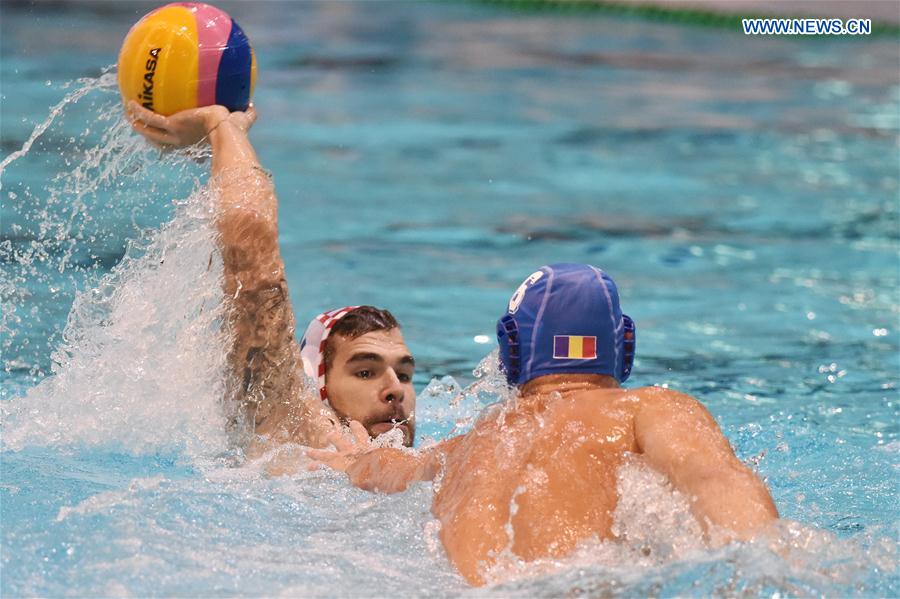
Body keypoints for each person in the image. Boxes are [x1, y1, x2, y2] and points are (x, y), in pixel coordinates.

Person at [309, 263, 779, 586]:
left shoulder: (477, 440)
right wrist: (778, 561)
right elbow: (714, 480)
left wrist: (357, 461)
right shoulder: (649, 409)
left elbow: (396, 470)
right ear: (624, 346)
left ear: (510, 352)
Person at [127, 102, 416, 450]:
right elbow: (250, 246)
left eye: (404, 375)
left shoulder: (439, 466)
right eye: (365, 372)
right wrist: (220, 126)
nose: (396, 389)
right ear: (317, 384)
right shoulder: (290, 437)